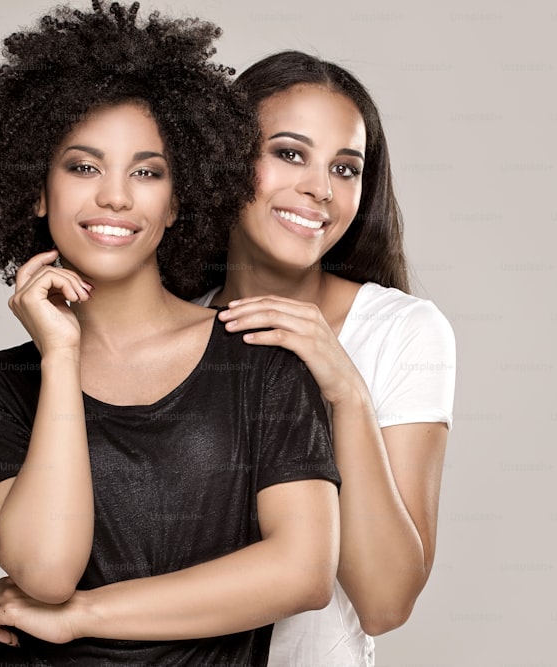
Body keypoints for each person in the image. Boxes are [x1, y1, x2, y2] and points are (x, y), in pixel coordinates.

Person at [0, 4, 340, 665]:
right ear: (37, 191)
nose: (115, 197)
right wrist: (61, 353)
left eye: (148, 171)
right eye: (82, 166)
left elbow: (303, 571)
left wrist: (85, 616)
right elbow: (45, 569)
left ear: (178, 199)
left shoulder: (262, 360)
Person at [197, 51, 457, 665]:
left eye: (346, 168)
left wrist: (344, 389)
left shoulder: (404, 330)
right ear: (225, 157)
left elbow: (386, 602)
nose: (319, 188)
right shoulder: (173, 322)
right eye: (289, 153)